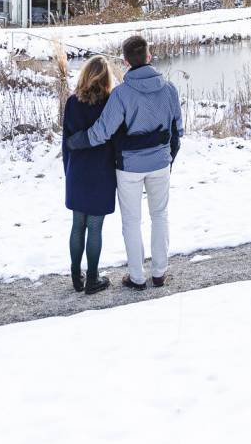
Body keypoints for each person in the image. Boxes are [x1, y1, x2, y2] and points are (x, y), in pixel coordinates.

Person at [67, 33, 181, 289]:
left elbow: (101, 133)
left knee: (132, 221)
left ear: (127, 62)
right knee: (160, 215)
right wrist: (168, 158)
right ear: (149, 57)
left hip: (129, 167)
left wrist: (76, 142)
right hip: (160, 164)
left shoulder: (121, 94)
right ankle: (160, 273)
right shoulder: (169, 89)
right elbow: (178, 130)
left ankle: (137, 277)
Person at [62, 56, 116, 295]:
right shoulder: (110, 103)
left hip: (77, 170)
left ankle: (76, 276)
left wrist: (68, 170)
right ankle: (93, 279)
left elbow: (66, 142)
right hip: (102, 171)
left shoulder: (72, 103)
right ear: (106, 78)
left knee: (77, 226)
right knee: (95, 227)